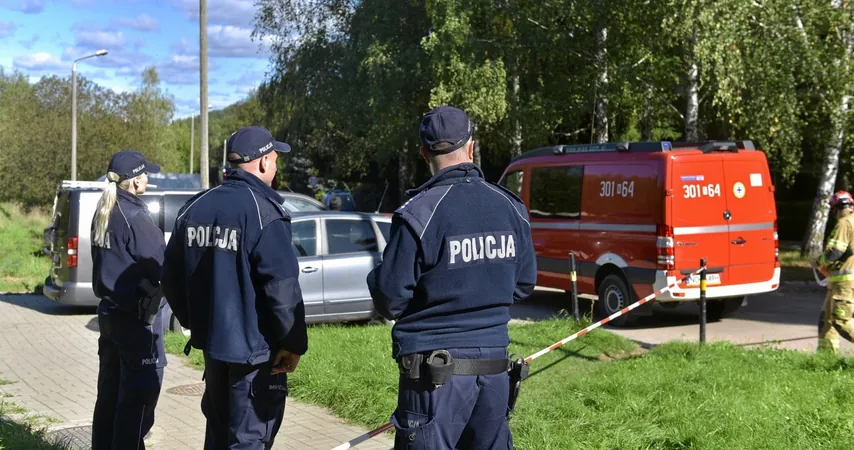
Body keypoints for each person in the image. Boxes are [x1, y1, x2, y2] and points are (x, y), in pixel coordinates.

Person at [366, 105, 537, 449]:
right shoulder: (510, 206)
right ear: (471, 146)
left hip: (435, 378)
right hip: (494, 371)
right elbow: (523, 284)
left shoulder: (419, 212)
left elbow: (390, 297)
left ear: (424, 154)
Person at [161, 126, 308, 449]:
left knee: (218, 435)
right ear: (263, 162)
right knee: (249, 440)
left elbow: (170, 277)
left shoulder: (195, 207)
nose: (276, 166)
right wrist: (293, 344)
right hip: (256, 356)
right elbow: (282, 291)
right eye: (275, 159)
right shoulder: (264, 212)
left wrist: (196, 323)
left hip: (215, 349)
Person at [90, 150, 166, 450]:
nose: (147, 178)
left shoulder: (104, 211)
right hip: (136, 322)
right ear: (134, 182)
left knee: (109, 398)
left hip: (109, 316)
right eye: (145, 174)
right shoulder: (134, 216)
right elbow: (162, 265)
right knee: (138, 402)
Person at [815, 190, 854, 353]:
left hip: (845, 282)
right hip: (838, 282)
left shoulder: (845, 223)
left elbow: (835, 251)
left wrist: (819, 262)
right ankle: (826, 359)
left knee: (841, 321)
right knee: (826, 321)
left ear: (836, 209)